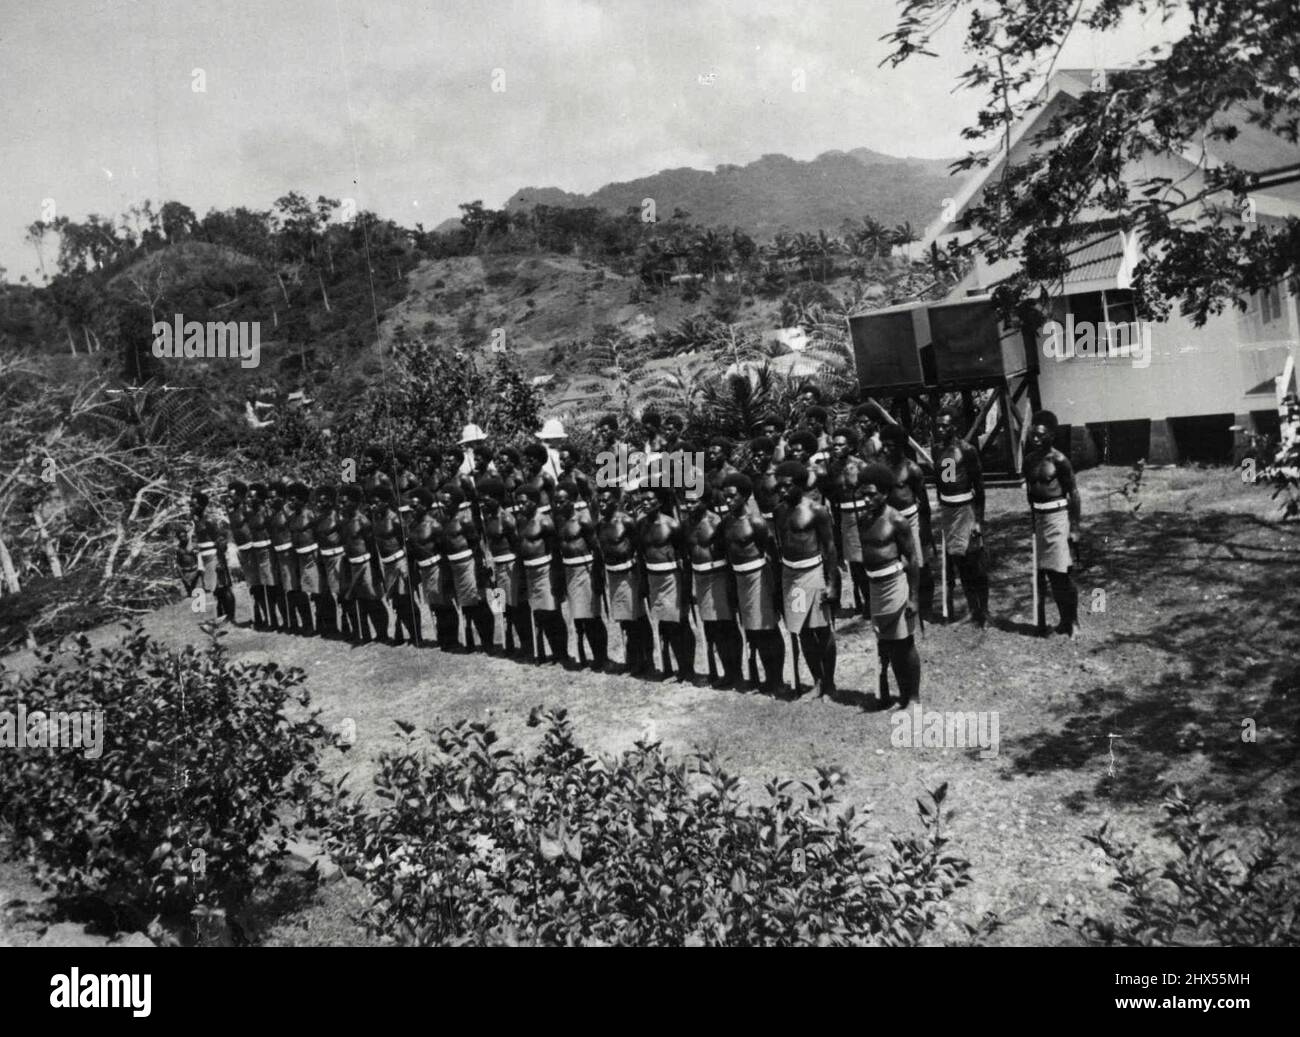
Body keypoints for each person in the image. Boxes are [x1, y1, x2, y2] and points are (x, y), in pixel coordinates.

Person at [854, 462, 922, 708]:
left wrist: (913, 597)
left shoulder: (897, 520)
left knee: (904, 643)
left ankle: (912, 697)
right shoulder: (862, 520)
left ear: (884, 492)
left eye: (872, 494)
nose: (867, 499)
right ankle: (891, 693)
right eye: (864, 494)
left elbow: (912, 559)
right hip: (875, 587)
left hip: (896, 585)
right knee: (886, 643)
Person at [772, 460, 839, 698]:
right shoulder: (779, 511)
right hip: (791, 577)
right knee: (802, 630)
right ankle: (817, 681)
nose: (781, 491)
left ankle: (830, 683)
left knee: (821, 629)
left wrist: (831, 583)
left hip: (813, 573)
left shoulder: (817, 510)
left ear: (799, 485)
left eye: (787, 486)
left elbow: (830, 547)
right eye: (779, 486)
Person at [720, 472, 786, 695]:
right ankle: (760, 678)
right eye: (725, 497)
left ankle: (776, 679)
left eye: (732, 497)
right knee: (752, 631)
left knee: (767, 629)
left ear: (745, 496)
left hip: (759, 577)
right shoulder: (727, 523)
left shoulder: (756, 522)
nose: (727, 501)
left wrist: (776, 590)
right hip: (739, 578)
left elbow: (772, 555)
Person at [1024, 410, 1081, 638]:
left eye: (1040, 435)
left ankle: (1073, 621)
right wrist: (1033, 520)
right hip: (1039, 520)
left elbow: (1074, 493)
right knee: (1045, 574)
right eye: (1033, 434)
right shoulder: (1029, 461)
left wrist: (1075, 527)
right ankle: (1061, 621)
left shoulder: (1059, 460)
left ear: (1051, 435)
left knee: (1062, 574)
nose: (1035, 439)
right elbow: (1030, 492)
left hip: (1057, 518)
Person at [933, 406, 989, 626]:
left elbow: (980, 488)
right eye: (938, 425)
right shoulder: (937, 450)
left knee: (974, 562)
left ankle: (983, 612)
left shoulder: (967, 450)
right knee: (959, 561)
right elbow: (939, 483)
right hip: (948, 512)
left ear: (954, 427)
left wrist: (978, 520)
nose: (940, 429)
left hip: (966, 510)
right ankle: (971, 610)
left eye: (944, 425)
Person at [637, 483, 695, 682]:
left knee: (678, 624)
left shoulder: (672, 525)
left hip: (672, 578)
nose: (645, 503)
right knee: (663, 625)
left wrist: (687, 589)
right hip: (653, 578)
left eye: (649, 500)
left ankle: (687, 669)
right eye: (642, 499)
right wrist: (643, 583)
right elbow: (641, 556)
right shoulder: (641, 525)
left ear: (660, 502)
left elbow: (684, 559)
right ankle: (668, 667)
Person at [687, 487, 743, 688]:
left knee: (726, 626)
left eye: (694, 502)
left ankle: (736, 673)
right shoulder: (687, 523)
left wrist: (731, 584)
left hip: (719, 576)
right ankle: (721, 671)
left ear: (704, 501)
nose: (689, 505)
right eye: (687, 502)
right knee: (712, 628)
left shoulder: (717, 522)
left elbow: (730, 553)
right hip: (699, 578)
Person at [597, 480, 653, 676]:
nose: (601, 505)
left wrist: (643, 579)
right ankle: (633, 658)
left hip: (630, 574)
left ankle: (646, 659)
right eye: (599, 501)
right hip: (612, 574)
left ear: (615, 501)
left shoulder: (627, 521)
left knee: (637, 618)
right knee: (624, 620)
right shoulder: (601, 524)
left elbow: (640, 549)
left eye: (605, 501)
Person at [879, 424, 935, 618]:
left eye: (891, 446)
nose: (886, 450)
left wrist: (925, 531)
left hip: (911, 520)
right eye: (883, 445)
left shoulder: (912, 469)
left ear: (901, 445)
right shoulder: (882, 467)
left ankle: (926, 606)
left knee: (919, 562)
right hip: (890, 522)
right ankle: (902, 600)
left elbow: (924, 504)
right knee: (897, 563)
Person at [554, 480, 609, 671]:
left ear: (572, 501)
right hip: (568, 572)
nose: (558, 505)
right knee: (578, 617)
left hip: (585, 570)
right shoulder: (558, 522)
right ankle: (583, 655)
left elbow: (597, 550)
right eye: (556, 502)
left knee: (592, 616)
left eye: (562, 501)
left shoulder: (583, 520)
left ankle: (601, 657)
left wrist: (598, 576)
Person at [511, 484, 569, 664]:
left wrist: (557, 579)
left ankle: (561, 653)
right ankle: (542, 652)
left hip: (545, 571)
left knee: (552, 613)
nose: (520, 507)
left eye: (524, 503)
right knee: (538, 614)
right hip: (528, 572)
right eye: (518, 504)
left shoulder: (545, 521)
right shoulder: (520, 521)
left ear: (534, 502)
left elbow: (556, 553)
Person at [437, 483, 494, 652]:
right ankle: (471, 641)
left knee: (478, 602)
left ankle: (488, 641)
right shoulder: (445, 521)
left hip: (469, 564)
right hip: (454, 566)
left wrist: (478, 568)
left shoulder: (465, 519)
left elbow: (476, 545)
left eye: (447, 503)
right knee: (466, 605)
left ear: (455, 502)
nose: (444, 506)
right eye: (442, 503)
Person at [480, 477, 532, 659]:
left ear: (496, 498)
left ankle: (527, 646)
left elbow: (518, 546)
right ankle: (507, 642)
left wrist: (520, 572)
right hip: (496, 567)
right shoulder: (487, 518)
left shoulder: (507, 519)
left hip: (511, 567)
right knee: (500, 608)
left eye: (486, 499)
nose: (483, 502)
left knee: (516, 607)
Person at [407, 487, 458, 651]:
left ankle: (452, 640)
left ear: (424, 506)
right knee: (435, 605)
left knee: (445, 604)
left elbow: (445, 549)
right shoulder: (412, 526)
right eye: (411, 506)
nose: (412, 509)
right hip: (424, 570)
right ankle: (442, 638)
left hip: (437, 567)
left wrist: (446, 573)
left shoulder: (434, 525)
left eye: (415, 506)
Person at [370, 486, 418, 645]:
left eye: (377, 503)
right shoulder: (376, 519)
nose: (374, 506)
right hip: (387, 565)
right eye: (372, 503)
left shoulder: (396, 519)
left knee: (406, 599)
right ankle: (403, 633)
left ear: (385, 502)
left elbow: (407, 542)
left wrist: (406, 565)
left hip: (399, 562)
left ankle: (415, 635)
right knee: (396, 601)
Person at [338, 483, 386, 643]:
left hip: (366, 564)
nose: (342, 505)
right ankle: (364, 635)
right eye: (340, 502)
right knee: (359, 601)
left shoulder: (363, 521)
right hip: (352, 565)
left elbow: (372, 548)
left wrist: (376, 571)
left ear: (354, 502)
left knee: (373, 599)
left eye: (345, 502)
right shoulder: (344, 521)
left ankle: (382, 634)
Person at [191, 489, 234, 622]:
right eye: (190, 505)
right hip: (206, 557)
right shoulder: (197, 520)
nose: (191, 508)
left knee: (223, 587)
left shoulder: (208, 520)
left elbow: (220, 540)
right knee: (216, 589)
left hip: (215, 557)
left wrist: (220, 560)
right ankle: (221, 615)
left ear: (202, 505)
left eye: (194, 505)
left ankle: (230, 616)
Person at [225, 480, 262, 627]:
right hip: (242, 551)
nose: (229, 498)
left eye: (232, 496)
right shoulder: (231, 510)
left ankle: (261, 617)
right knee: (250, 585)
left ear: (240, 496)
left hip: (252, 550)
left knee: (257, 586)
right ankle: (255, 617)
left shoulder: (247, 509)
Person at [312, 484, 346, 639]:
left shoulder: (339, 517)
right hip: (323, 558)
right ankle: (331, 627)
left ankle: (349, 628)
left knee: (343, 594)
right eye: (317, 501)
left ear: (331, 501)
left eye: (323, 501)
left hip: (339, 557)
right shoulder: (318, 518)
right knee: (325, 594)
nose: (319, 504)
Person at [244, 482, 279, 631]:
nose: (249, 499)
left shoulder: (267, 512)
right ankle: (266, 619)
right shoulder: (250, 513)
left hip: (267, 551)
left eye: (252, 497)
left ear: (260, 498)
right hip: (255, 552)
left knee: (270, 586)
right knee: (259, 588)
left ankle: (274, 621)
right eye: (248, 497)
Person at [285, 482, 318, 635]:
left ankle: (327, 626)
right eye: (289, 499)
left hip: (313, 556)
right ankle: (308, 625)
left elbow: (319, 535)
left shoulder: (311, 514)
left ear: (301, 499)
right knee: (300, 592)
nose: (290, 503)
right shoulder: (291, 517)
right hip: (297, 557)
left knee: (318, 592)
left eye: (293, 499)